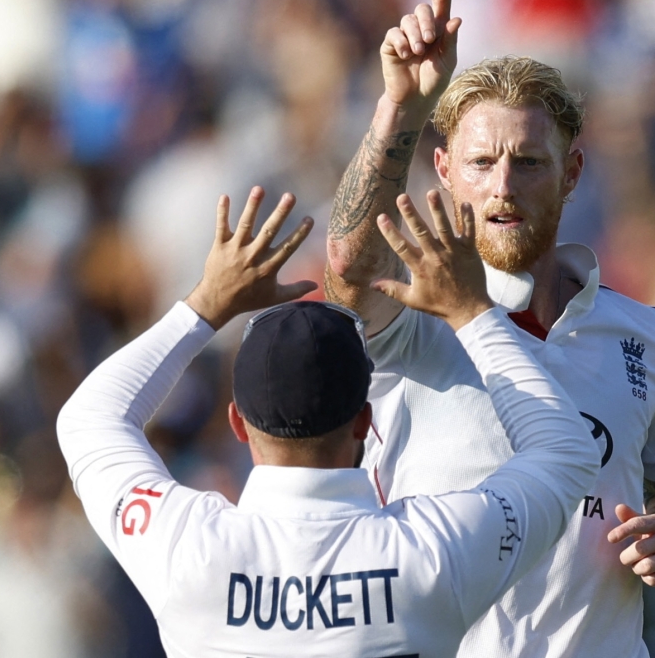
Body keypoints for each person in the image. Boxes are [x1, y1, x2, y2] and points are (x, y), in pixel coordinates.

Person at [325, 0, 655, 658]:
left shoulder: (648, 336)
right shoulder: (414, 317)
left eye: (529, 162)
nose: (503, 186)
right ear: (445, 170)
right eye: (481, 162)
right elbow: (347, 262)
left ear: (572, 173)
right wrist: (401, 106)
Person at [57, 187, 601, 657]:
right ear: (364, 422)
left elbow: (89, 419)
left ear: (238, 425)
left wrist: (205, 306)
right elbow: (566, 452)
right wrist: (470, 311)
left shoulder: (186, 551)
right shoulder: (434, 552)